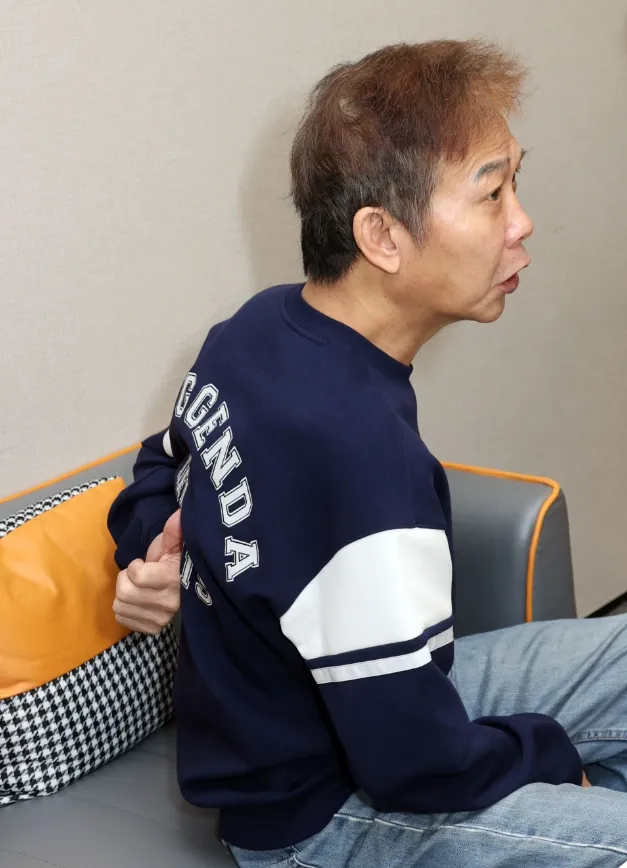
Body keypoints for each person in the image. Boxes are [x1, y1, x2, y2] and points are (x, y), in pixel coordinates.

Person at [108, 40, 627, 867]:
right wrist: (550, 757)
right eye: (491, 193)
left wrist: (148, 550)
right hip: (321, 816)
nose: (521, 222)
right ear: (381, 236)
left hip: (375, 711)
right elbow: (416, 770)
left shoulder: (258, 328)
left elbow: (156, 463)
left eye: (514, 184)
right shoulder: (357, 455)